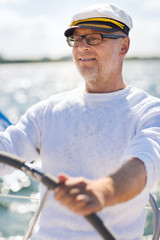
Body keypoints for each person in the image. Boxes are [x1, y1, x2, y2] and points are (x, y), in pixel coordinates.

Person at [0, 3, 160, 240]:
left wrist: (102, 191)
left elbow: (145, 164)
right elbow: (7, 151)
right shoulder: (48, 111)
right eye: (76, 39)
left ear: (124, 45)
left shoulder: (148, 111)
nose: (82, 46)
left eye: (94, 38)